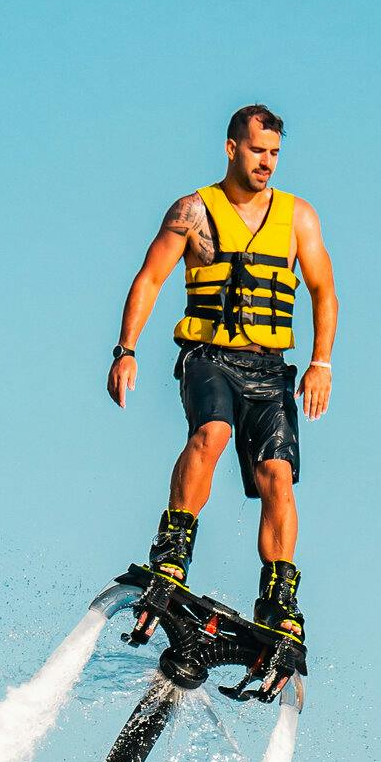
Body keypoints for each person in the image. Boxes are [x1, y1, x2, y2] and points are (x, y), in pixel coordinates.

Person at [107, 103, 338, 666]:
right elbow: (151, 277)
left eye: (275, 154)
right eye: (258, 151)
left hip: (269, 368)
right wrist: (126, 349)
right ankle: (174, 547)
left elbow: (323, 290)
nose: (267, 163)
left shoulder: (298, 217)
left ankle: (279, 598)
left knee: (276, 476)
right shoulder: (194, 211)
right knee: (210, 434)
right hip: (208, 355)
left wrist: (320, 363)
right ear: (232, 147)